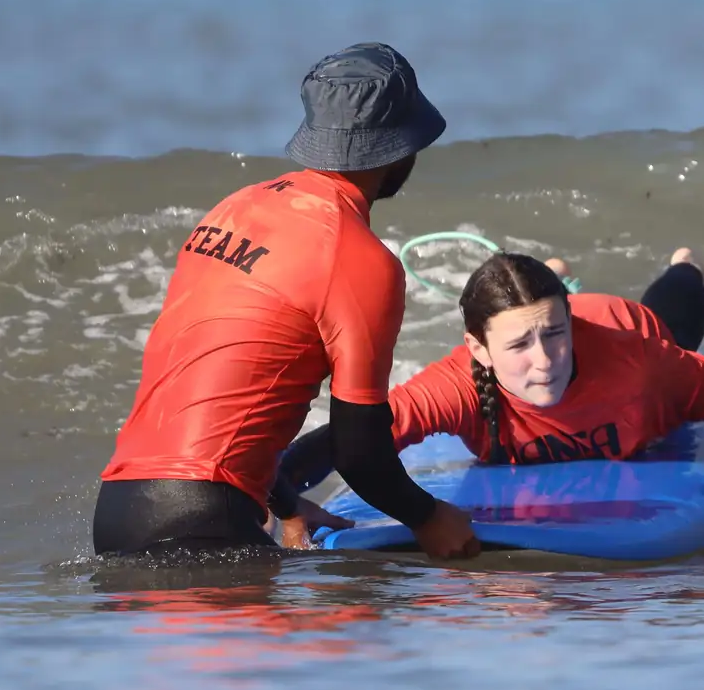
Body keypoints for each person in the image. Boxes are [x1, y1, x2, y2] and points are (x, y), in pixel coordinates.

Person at [93, 42, 481, 560]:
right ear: (400, 145)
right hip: (205, 521)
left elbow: (223, 378)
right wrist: (430, 517)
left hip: (122, 509)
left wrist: (287, 503)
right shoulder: (356, 256)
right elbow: (359, 449)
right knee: (374, 635)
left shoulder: (234, 209)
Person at [269, 249, 704, 544]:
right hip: (544, 315)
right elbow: (349, 441)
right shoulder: (456, 384)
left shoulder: (640, 363)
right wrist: (282, 506)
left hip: (625, 324)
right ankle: (547, 279)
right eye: (520, 346)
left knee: (675, 315)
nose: (545, 361)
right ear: (478, 350)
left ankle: (685, 264)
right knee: (527, 314)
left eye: (557, 337)